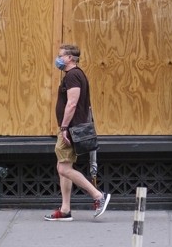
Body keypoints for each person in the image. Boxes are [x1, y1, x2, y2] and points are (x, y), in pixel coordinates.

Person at [44, 43, 111, 221]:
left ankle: (98, 195)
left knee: (63, 167)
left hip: (71, 128)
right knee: (64, 167)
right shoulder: (76, 74)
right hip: (72, 128)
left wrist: (64, 127)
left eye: (61, 56)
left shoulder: (73, 76)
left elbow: (72, 103)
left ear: (69, 58)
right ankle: (65, 210)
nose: (58, 59)